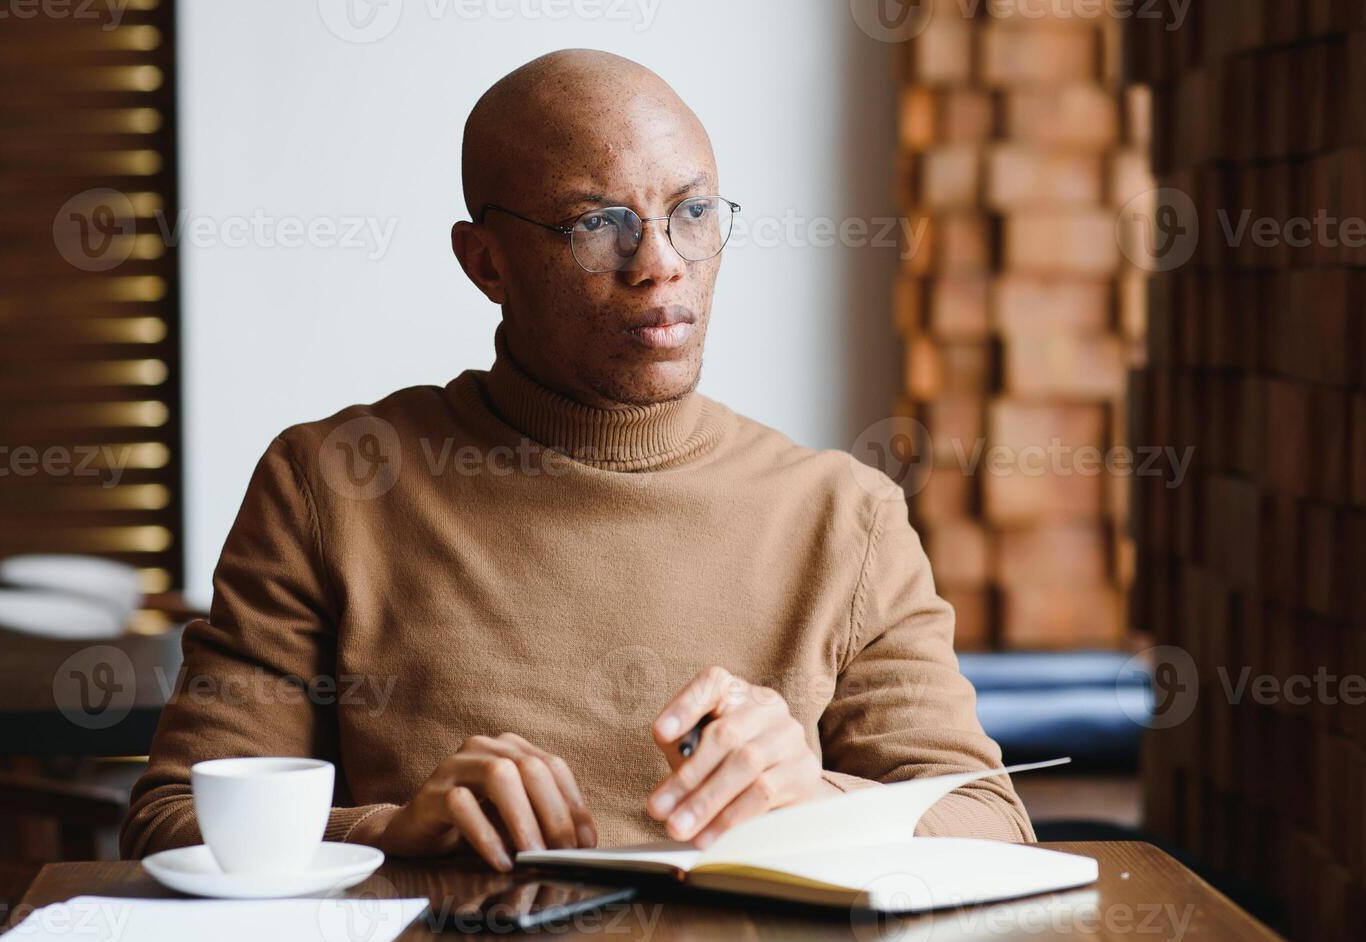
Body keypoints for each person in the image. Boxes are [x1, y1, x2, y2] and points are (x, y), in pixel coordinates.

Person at [122, 49, 1032, 872]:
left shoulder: (844, 515)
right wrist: (388, 832)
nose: (661, 264)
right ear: (486, 263)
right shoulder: (332, 485)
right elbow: (171, 819)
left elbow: (990, 823)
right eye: (599, 224)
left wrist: (817, 799)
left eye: (694, 212)